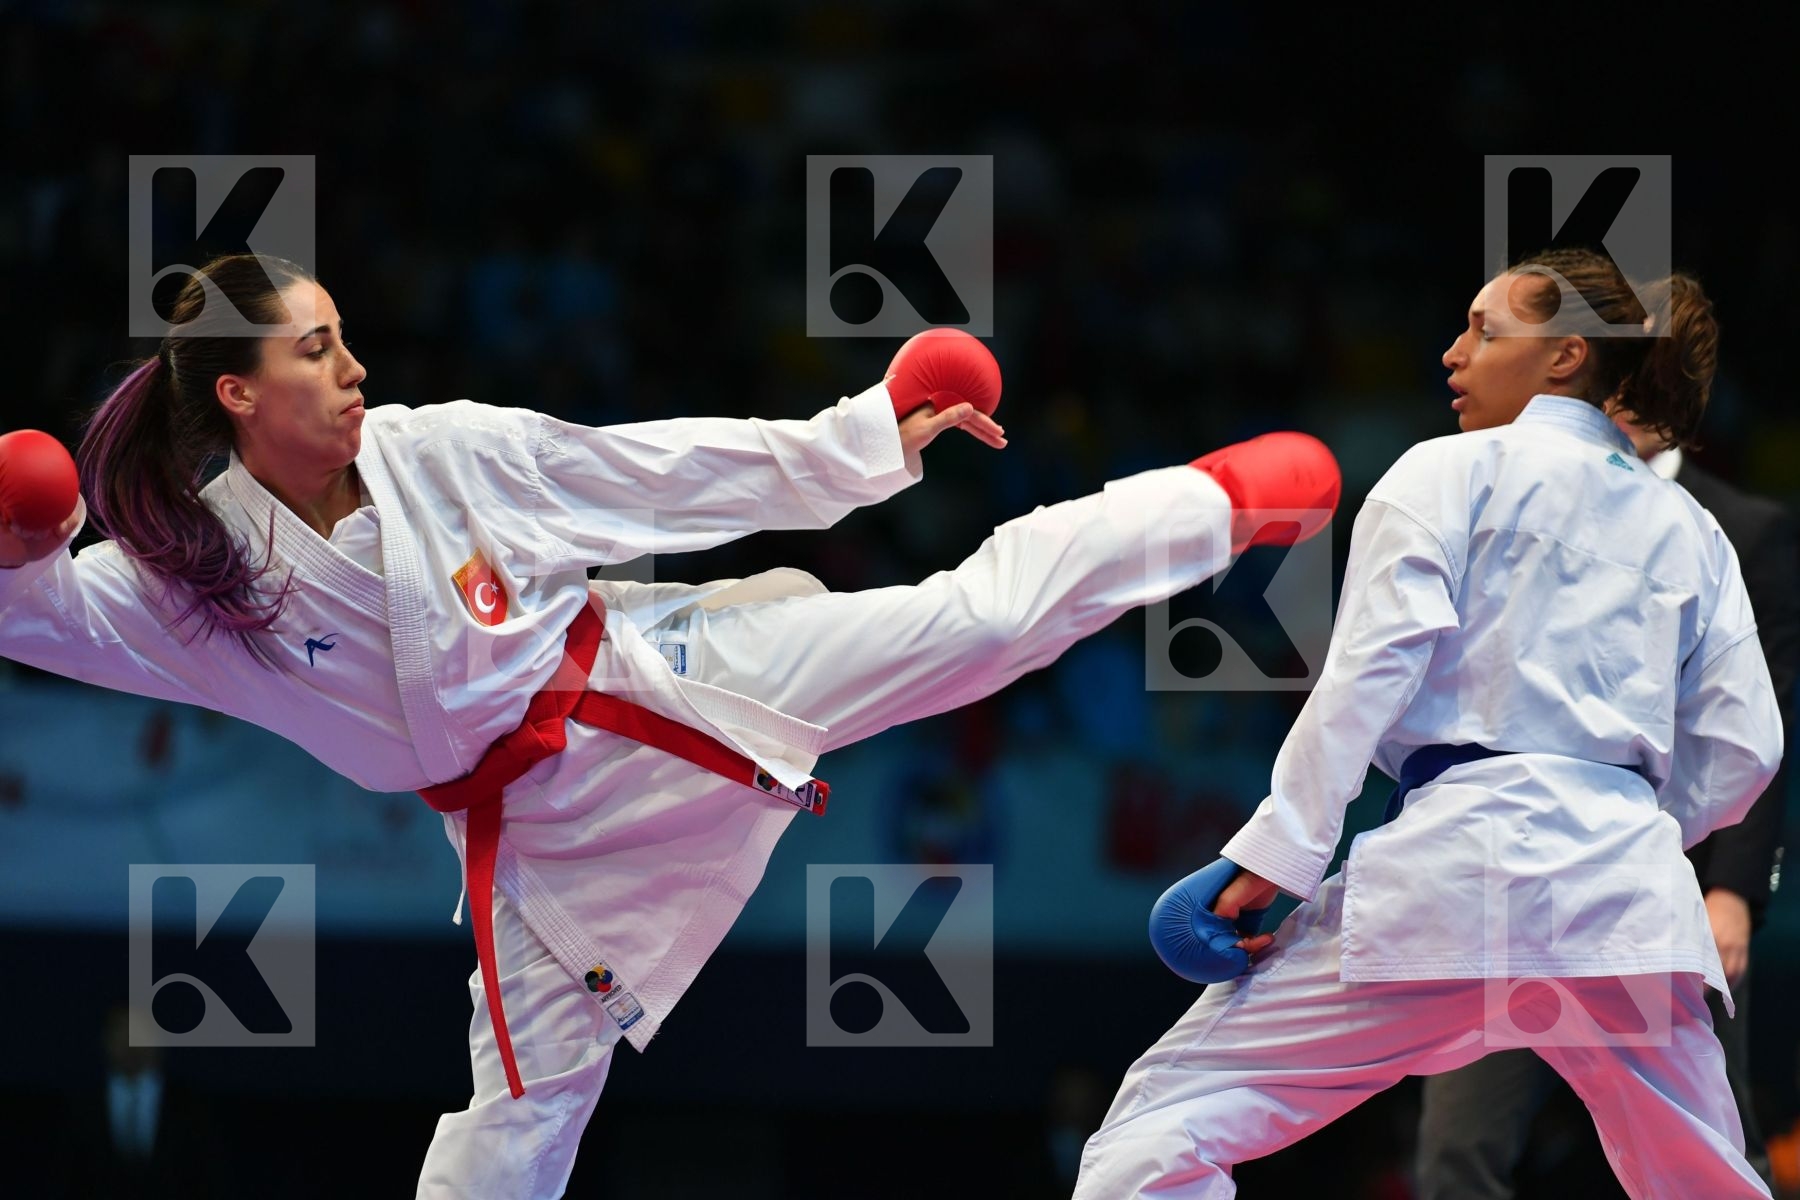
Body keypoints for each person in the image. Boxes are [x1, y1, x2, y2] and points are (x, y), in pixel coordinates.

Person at [0, 254, 1341, 1200]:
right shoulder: (198, 581)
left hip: (664, 682)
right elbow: (41, 614)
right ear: (234, 394)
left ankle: (1210, 506)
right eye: (315, 351)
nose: (355, 370)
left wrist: (866, 434)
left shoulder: (449, 452)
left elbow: (669, 472)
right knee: (515, 1134)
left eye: (347, 336)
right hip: (540, 848)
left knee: (962, 631)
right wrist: (15, 534)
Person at [1074, 247, 1784, 1199]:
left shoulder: (1443, 474)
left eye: (1486, 329)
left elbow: (1366, 679)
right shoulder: (1690, 528)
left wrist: (1277, 854)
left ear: (1568, 355)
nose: (1454, 353)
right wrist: (1625, 819)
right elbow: (1749, 749)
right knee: (1706, 1184)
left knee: (1161, 1128)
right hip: (1625, 898)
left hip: (1459, 870)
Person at [1412, 393, 1799, 1198]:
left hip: (1657, 895)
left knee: (1706, 1160)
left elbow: (1759, 729)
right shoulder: (1505, 493)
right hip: (1508, 883)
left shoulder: (1732, 529)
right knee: (1458, 1150)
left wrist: (1731, 892)